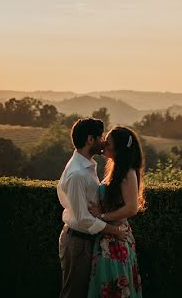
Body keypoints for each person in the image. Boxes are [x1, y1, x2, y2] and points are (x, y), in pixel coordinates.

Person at [58, 118, 128, 298]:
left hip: (86, 240)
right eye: (100, 137)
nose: (104, 141)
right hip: (78, 242)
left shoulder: (85, 167)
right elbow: (82, 218)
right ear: (90, 140)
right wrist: (114, 230)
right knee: (74, 293)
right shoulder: (77, 174)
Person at [87, 126, 145, 298]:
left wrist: (102, 217)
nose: (104, 143)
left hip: (117, 240)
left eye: (108, 142)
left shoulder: (128, 173)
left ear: (118, 148)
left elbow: (131, 208)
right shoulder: (114, 170)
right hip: (106, 237)